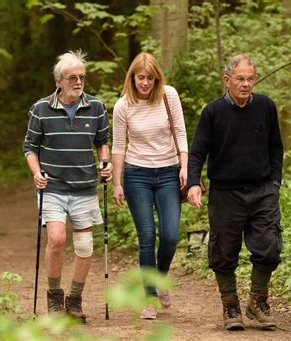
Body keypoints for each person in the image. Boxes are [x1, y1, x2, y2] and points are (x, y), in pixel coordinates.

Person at [187, 54, 284, 330]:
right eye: (239, 79)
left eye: (250, 78)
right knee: (223, 252)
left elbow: (276, 147)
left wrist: (275, 182)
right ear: (227, 80)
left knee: (269, 247)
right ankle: (230, 306)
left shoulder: (265, 107)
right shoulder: (213, 112)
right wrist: (194, 182)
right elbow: (198, 152)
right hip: (225, 193)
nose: (245, 84)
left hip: (262, 189)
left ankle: (258, 301)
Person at [22, 50, 112, 322]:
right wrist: (37, 173)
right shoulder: (41, 109)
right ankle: (54, 298)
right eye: (72, 77)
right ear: (59, 80)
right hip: (53, 187)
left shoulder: (96, 107)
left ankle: (74, 300)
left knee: (84, 246)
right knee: (57, 239)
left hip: (84, 186)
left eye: (82, 77)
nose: (79, 81)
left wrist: (105, 162)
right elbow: (30, 147)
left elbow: (102, 142)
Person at [112, 52, 188, 320]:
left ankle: (160, 280)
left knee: (170, 235)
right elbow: (119, 146)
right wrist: (117, 182)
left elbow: (180, 131)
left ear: (158, 78)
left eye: (150, 78)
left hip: (168, 173)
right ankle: (150, 297)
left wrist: (185, 167)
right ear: (132, 77)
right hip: (137, 175)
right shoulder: (123, 106)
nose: (145, 83)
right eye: (140, 78)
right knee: (147, 236)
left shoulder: (169, 96)